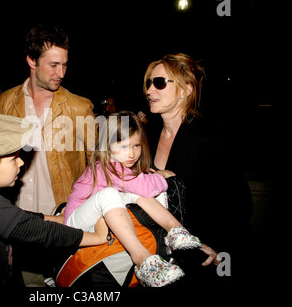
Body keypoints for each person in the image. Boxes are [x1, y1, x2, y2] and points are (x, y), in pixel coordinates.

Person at [0, 114, 107, 285]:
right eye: (13, 158)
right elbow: (41, 233)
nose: (21, 162)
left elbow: (19, 217)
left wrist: (58, 219)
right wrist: (98, 237)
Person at [64, 111, 218, 287]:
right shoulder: (108, 166)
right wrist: (162, 177)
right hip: (75, 224)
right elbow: (147, 186)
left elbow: (142, 190)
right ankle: (141, 259)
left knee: (137, 194)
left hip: (96, 220)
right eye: (123, 147)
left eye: (136, 146)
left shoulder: (121, 168)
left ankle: (178, 232)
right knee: (116, 193)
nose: (131, 154)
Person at [141, 53, 252, 279]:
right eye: (149, 83)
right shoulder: (149, 135)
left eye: (159, 83)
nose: (150, 90)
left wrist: (219, 249)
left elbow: (239, 204)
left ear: (185, 89)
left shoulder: (209, 137)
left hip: (204, 257)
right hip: (163, 254)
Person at [0, 24, 96, 215]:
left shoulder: (79, 107)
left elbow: (97, 165)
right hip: (15, 214)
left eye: (64, 64)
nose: (61, 73)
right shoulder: (7, 101)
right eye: (53, 65)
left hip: (61, 216)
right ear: (32, 61)